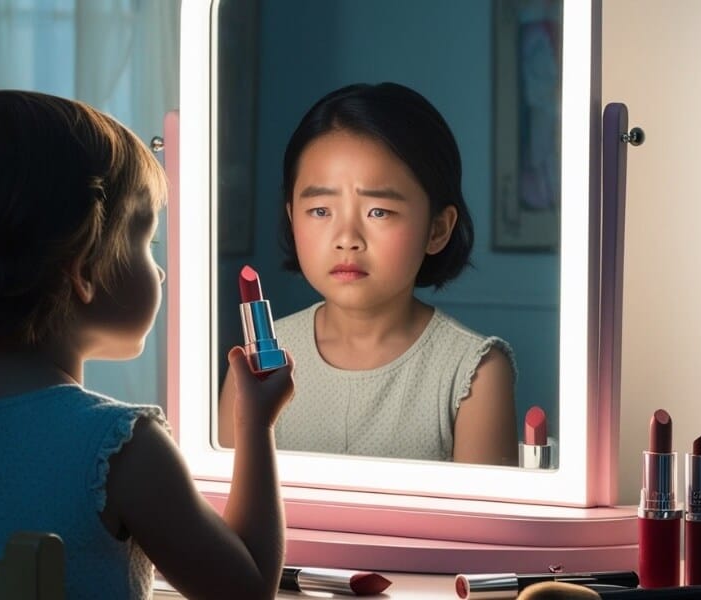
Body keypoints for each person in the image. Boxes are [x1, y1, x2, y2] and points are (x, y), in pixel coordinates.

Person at [0, 90, 295, 599]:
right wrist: (256, 424)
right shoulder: (119, 449)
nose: (160, 270)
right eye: (145, 242)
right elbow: (246, 590)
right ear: (83, 268)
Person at [219, 83, 516, 466]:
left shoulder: (475, 371)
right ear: (293, 217)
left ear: (437, 229)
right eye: (321, 211)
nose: (346, 239)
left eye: (379, 212)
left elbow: (481, 525)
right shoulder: (253, 365)